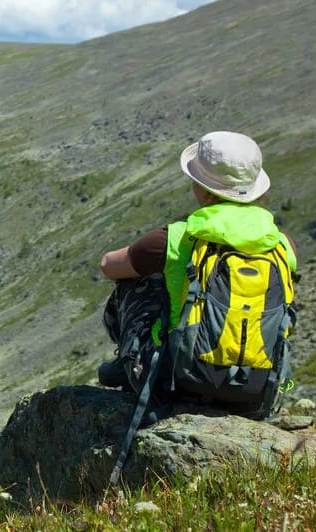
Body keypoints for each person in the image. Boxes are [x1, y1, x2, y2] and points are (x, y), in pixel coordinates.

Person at [96, 130, 296, 396]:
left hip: (178, 383)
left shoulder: (177, 237)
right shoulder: (281, 244)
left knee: (136, 280)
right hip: (256, 389)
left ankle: (130, 361)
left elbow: (108, 265)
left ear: (202, 188)